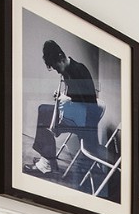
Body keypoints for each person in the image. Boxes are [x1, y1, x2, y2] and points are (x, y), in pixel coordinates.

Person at [29, 38, 108, 182]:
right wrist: (62, 96)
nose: (56, 70)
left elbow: (89, 102)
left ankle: (47, 162)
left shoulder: (79, 70)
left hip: (85, 120)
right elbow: (75, 94)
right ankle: (47, 160)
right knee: (43, 110)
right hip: (75, 114)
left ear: (61, 57)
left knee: (45, 113)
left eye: (55, 66)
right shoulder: (67, 72)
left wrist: (68, 100)